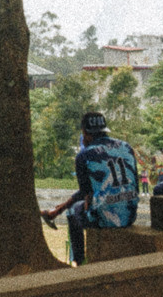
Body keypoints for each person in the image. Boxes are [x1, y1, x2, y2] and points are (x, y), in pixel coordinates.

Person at [45, 112, 140, 264]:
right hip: (130, 214)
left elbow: (84, 193)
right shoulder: (126, 147)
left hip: (106, 219)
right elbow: (135, 182)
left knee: (73, 211)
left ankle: (79, 260)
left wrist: (62, 209)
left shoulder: (84, 155)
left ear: (85, 133)